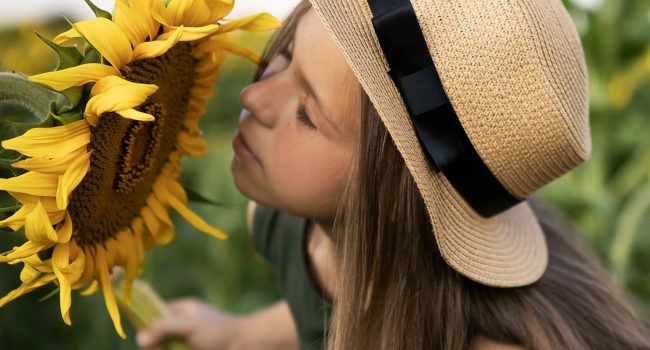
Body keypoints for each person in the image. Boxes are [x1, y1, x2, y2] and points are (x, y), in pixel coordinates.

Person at [137, 1, 650, 349]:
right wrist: (242, 333)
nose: (252, 97)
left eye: (308, 115)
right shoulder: (283, 226)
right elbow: (332, 301)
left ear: (390, 191)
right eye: (285, 55)